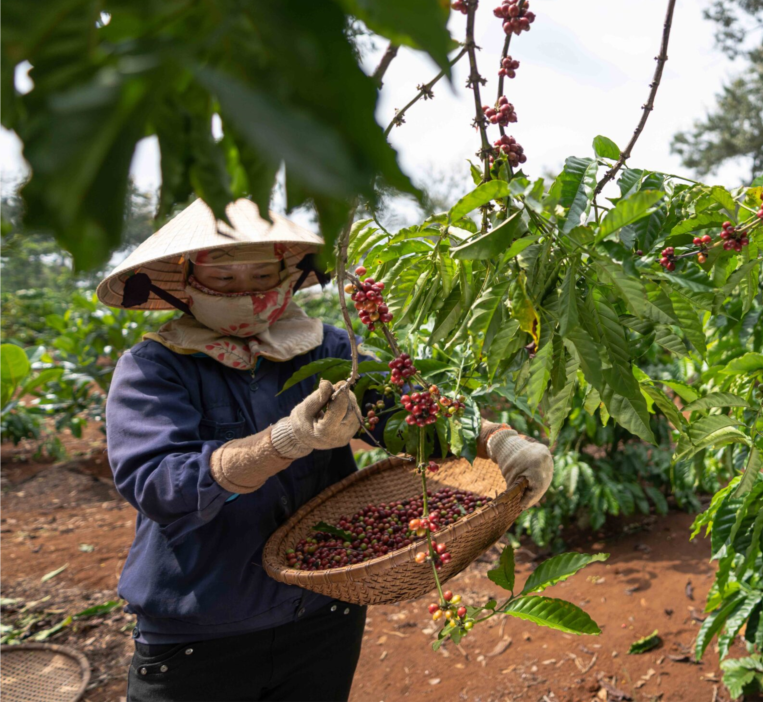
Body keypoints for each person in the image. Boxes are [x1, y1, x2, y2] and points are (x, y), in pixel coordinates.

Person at [98, 198, 553, 702]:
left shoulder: (329, 351)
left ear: (288, 276)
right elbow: (158, 483)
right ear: (183, 283)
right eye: (224, 280)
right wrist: (279, 443)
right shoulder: (154, 368)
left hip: (323, 613)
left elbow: (408, 414)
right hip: (201, 632)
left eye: (261, 275)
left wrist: (494, 439)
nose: (246, 294)